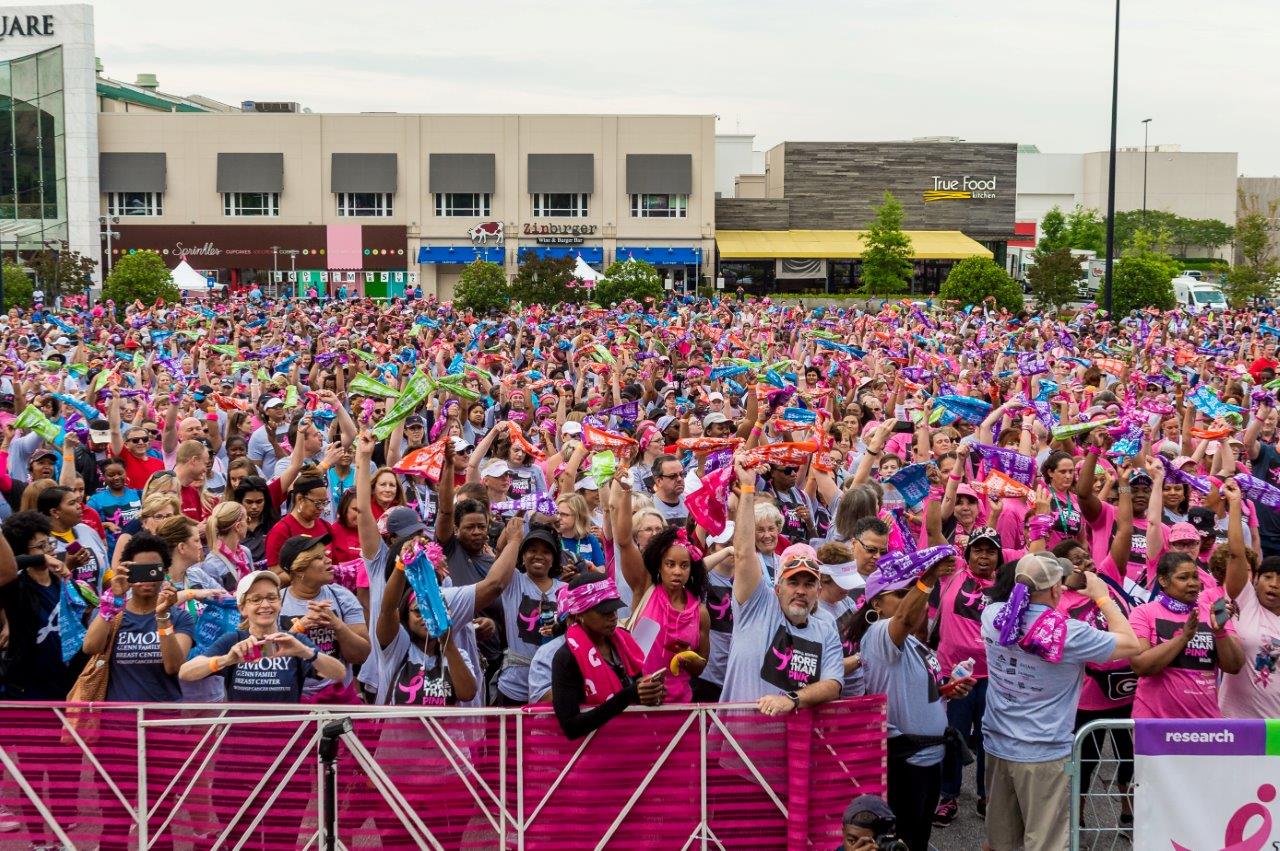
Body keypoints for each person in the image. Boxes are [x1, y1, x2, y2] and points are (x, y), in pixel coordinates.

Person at [981, 553, 1141, 851]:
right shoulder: (1068, 633)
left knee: (999, 843)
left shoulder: (993, 616)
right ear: (1057, 590)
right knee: (1047, 845)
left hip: (998, 746)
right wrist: (1103, 598)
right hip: (1044, 753)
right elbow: (1131, 643)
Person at [856, 543, 966, 851]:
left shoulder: (916, 645)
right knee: (901, 842)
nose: (912, 601)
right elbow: (903, 619)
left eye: (911, 593)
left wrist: (948, 690)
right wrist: (926, 578)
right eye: (901, 594)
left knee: (919, 839)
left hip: (931, 759)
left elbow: (920, 690)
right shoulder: (879, 634)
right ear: (876, 603)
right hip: (905, 762)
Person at [720, 455, 843, 712]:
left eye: (809, 584)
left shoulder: (826, 630)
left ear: (818, 592)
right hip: (739, 743)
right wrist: (747, 489)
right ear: (777, 587)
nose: (800, 590)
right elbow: (743, 554)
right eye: (793, 582)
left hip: (794, 747)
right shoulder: (759, 606)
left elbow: (833, 684)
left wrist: (792, 699)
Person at [179, 569, 345, 700]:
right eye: (256, 599)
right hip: (241, 737)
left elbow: (338, 673)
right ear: (242, 608)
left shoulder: (293, 641)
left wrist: (305, 652)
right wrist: (226, 660)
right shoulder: (234, 640)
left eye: (272, 598)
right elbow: (185, 673)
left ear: (280, 603)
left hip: (288, 738)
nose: (265, 605)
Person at [81, 532, 196, 702]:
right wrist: (112, 600)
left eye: (153, 570)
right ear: (127, 572)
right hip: (117, 722)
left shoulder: (180, 618)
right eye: (139, 571)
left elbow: (173, 666)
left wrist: (162, 617)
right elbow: (90, 647)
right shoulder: (112, 613)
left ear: (164, 571)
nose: (146, 579)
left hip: (162, 720)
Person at [1129, 550, 1245, 718]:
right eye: (1183, 578)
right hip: (1154, 722)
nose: (1193, 583)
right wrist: (1183, 638)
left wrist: (1220, 632)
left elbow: (1235, 666)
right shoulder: (1143, 612)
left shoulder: (1215, 611)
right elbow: (1140, 666)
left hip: (1204, 724)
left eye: (1195, 577)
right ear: (1163, 580)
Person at [551, 573, 664, 738]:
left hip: (634, 744)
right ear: (580, 613)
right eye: (604, 612)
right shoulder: (566, 658)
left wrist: (651, 693)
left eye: (615, 609)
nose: (613, 617)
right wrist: (630, 695)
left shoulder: (623, 642)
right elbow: (571, 727)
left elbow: (635, 691)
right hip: (594, 752)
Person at [276, 533, 371, 703]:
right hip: (292, 699)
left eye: (326, 554)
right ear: (299, 570)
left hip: (337, 698)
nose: (329, 560)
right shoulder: (275, 603)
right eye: (319, 558)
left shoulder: (343, 597)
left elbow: (362, 655)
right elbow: (267, 660)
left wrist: (338, 626)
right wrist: (298, 628)